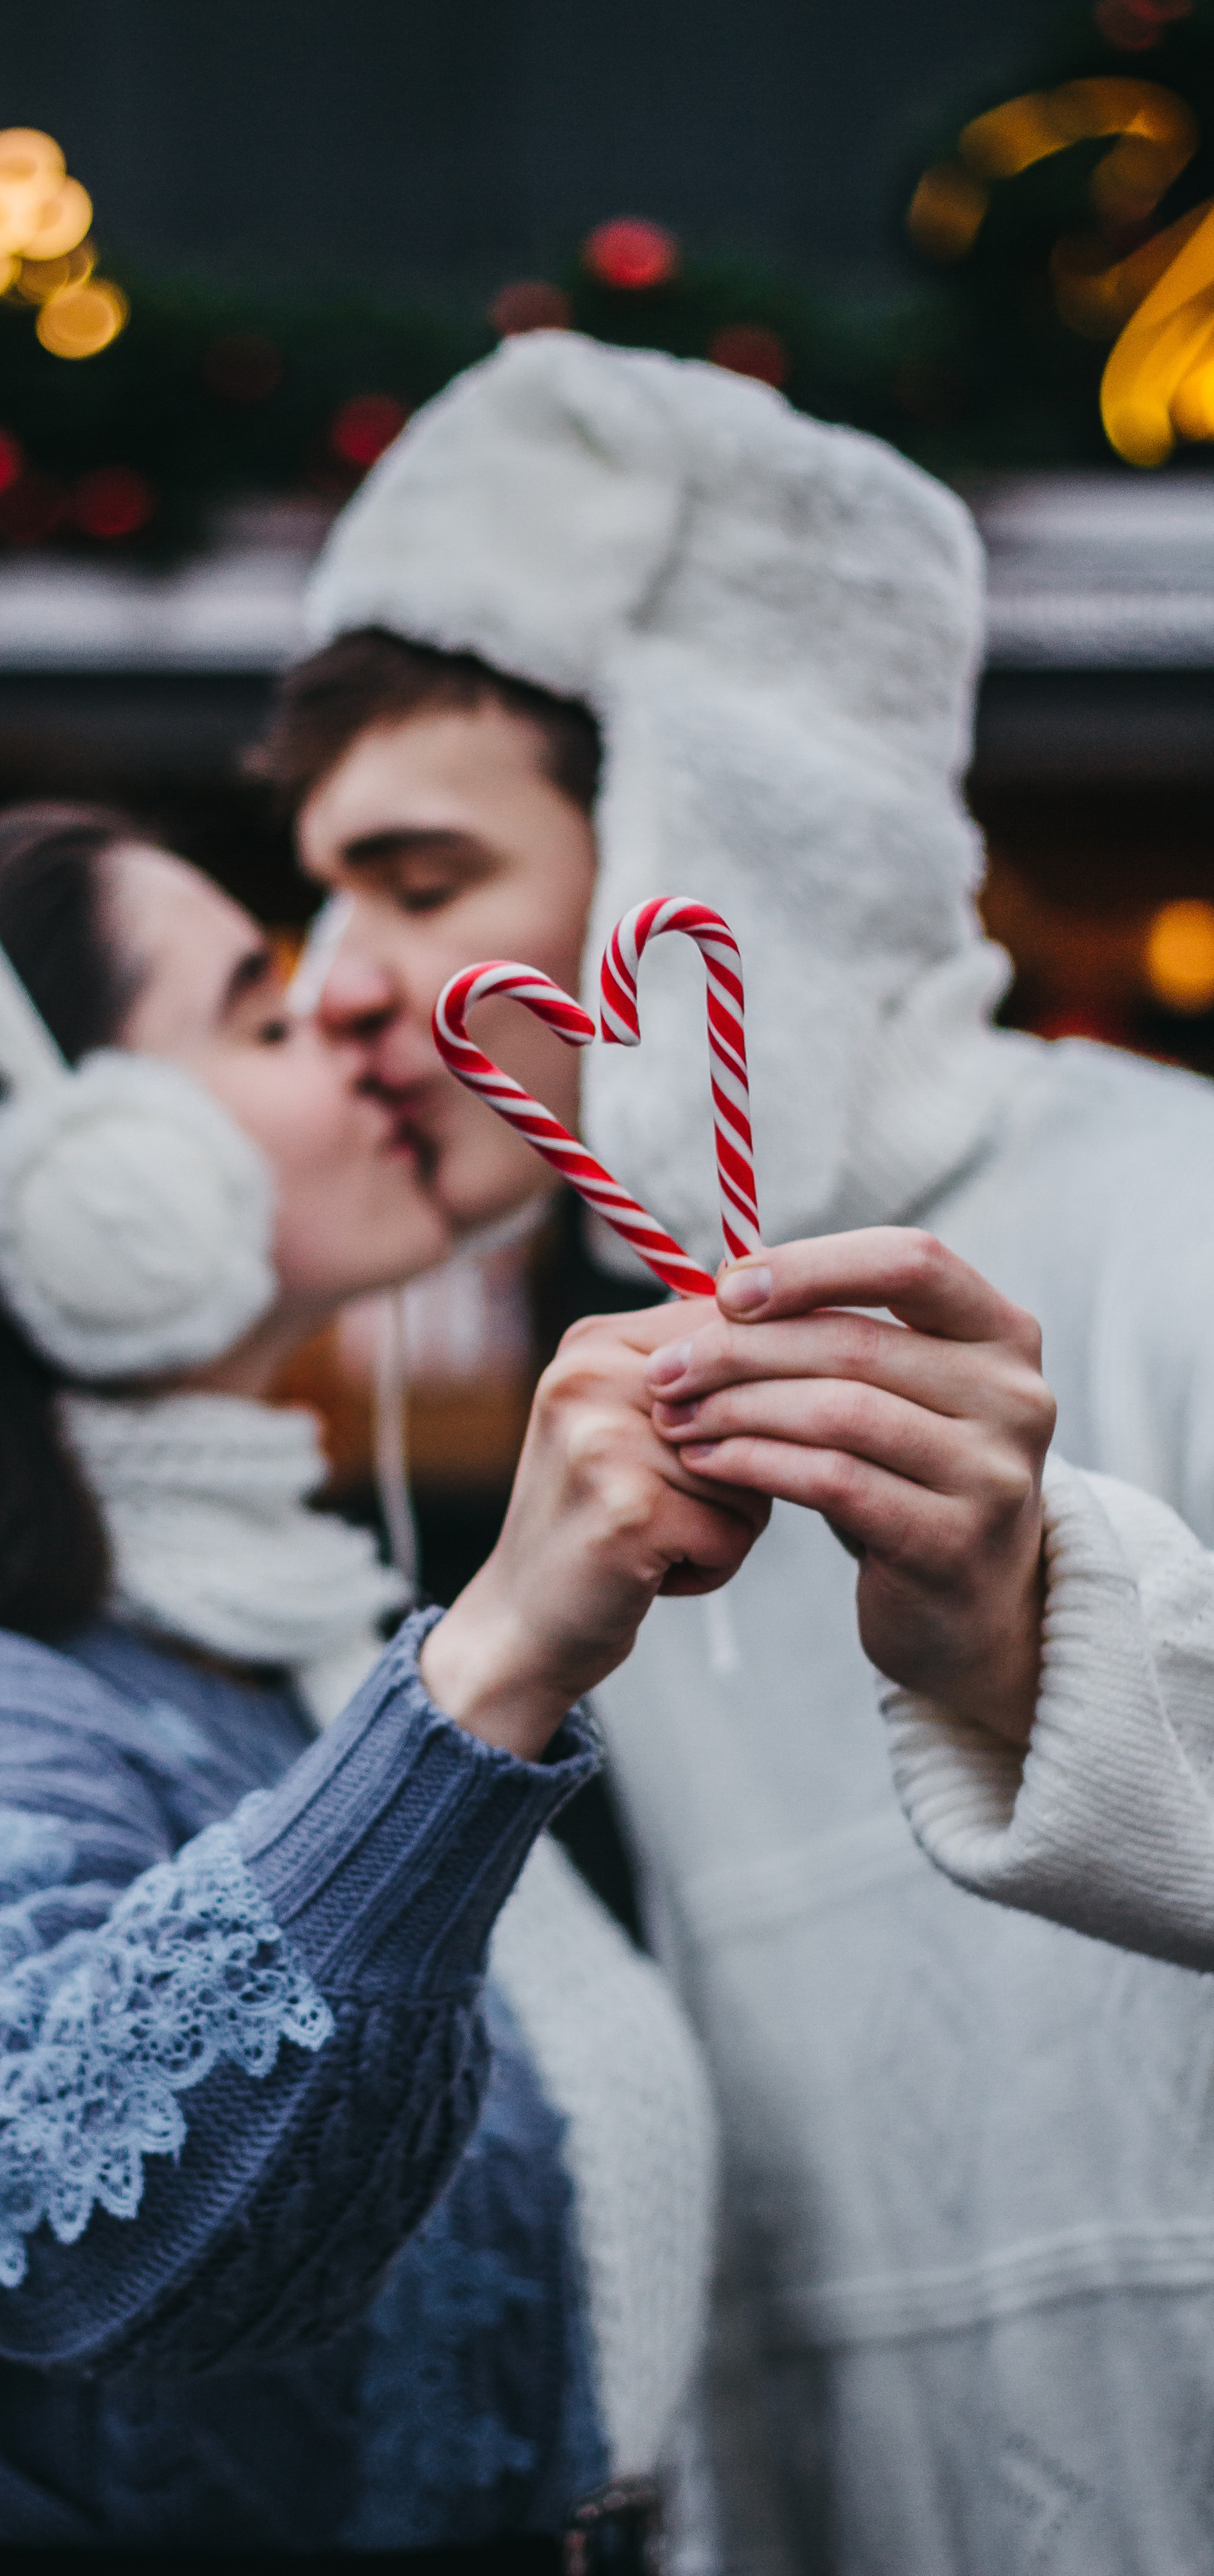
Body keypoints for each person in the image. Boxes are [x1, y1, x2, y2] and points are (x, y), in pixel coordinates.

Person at [260, 335, 1214, 2573]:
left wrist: (1039, 1663)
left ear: (710, 857)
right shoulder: (628, 1408)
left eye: (420, 876)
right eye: (321, 893)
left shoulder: (1180, 1218)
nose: (330, 982)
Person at [0, 801, 764, 2571]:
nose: (354, 1015)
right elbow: (61, 2227)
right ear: (89, 1185)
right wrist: (493, 1667)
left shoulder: (289, 1647)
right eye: (264, 1013)